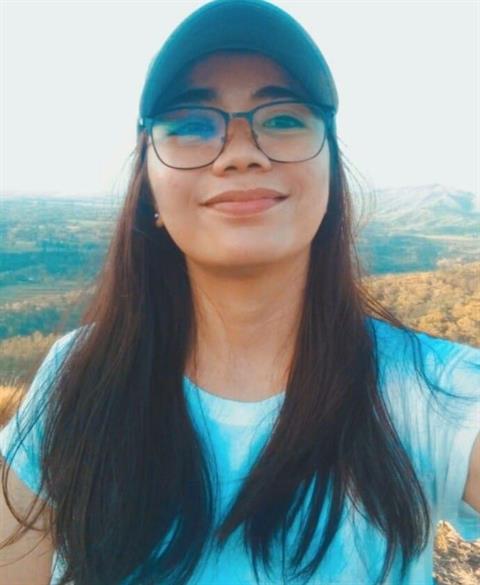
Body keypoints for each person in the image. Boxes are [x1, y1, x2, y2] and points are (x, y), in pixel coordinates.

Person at [0, 1, 479, 584]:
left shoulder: (432, 393)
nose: (241, 151)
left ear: (331, 170)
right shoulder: (78, 377)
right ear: (148, 187)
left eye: (283, 119)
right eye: (190, 124)